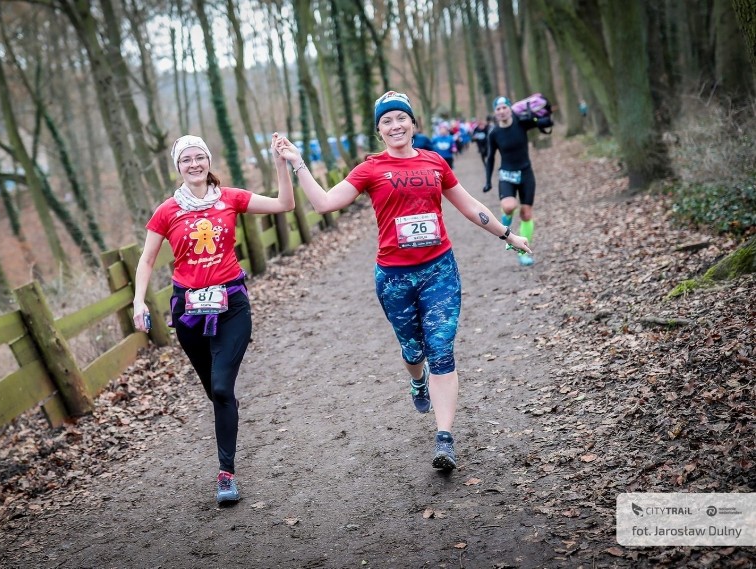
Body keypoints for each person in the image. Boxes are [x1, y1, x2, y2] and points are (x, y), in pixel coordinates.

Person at [273, 91, 531, 473]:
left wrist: (507, 235)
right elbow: (325, 203)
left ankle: (444, 437)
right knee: (414, 352)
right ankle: (417, 380)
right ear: (379, 131)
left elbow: (469, 204)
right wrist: (298, 165)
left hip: (439, 271)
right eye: (387, 121)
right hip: (394, 277)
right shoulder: (371, 169)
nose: (396, 126)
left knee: (441, 348)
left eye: (401, 118)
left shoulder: (435, 162)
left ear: (413, 123)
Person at [132, 134, 295, 505]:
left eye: (199, 157)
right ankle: (227, 414)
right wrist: (139, 301)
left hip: (231, 305)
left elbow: (286, 204)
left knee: (222, 389)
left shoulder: (231, 198)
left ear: (208, 161)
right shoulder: (166, 211)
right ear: (177, 166)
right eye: (186, 159)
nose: (194, 164)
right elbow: (145, 260)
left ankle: (226, 475)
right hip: (188, 312)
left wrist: (280, 162)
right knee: (215, 391)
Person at [483, 96, 552, 267]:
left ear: (510, 109)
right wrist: (488, 181)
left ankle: (522, 252)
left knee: (526, 214)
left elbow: (543, 123)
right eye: (498, 109)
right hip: (507, 175)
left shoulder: (521, 122)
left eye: (504, 107)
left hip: (526, 173)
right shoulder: (494, 133)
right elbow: (491, 157)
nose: (501, 111)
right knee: (509, 206)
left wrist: (542, 121)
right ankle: (505, 226)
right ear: (495, 113)